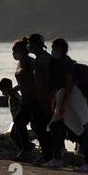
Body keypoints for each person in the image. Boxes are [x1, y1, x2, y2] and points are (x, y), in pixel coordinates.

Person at [44, 38, 88, 173]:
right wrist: (57, 100)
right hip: (65, 95)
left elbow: (69, 84)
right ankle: (57, 158)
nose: (52, 50)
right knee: (56, 126)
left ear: (60, 48)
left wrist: (62, 103)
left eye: (53, 47)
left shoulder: (66, 63)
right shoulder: (60, 62)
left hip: (72, 97)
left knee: (79, 129)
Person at [27, 34, 54, 162]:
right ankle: (51, 153)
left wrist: (43, 100)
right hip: (47, 98)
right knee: (44, 126)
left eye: (31, 45)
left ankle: (48, 155)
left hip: (45, 99)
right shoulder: (44, 57)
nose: (29, 47)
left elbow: (44, 82)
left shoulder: (42, 60)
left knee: (39, 126)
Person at [10, 37, 38, 160]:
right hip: (25, 99)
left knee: (19, 122)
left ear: (22, 50)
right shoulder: (20, 63)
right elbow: (23, 82)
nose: (13, 53)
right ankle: (26, 148)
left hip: (32, 99)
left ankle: (26, 149)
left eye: (15, 50)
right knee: (14, 132)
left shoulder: (30, 62)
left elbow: (35, 81)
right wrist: (14, 90)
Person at [0, 78, 33, 158]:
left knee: (16, 134)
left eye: (3, 90)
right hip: (16, 119)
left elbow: (20, 85)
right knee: (13, 135)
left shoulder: (13, 94)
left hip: (20, 118)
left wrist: (11, 90)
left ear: (7, 88)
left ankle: (26, 148)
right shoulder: (13, 94)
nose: (3, 93)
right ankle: (24, 148)